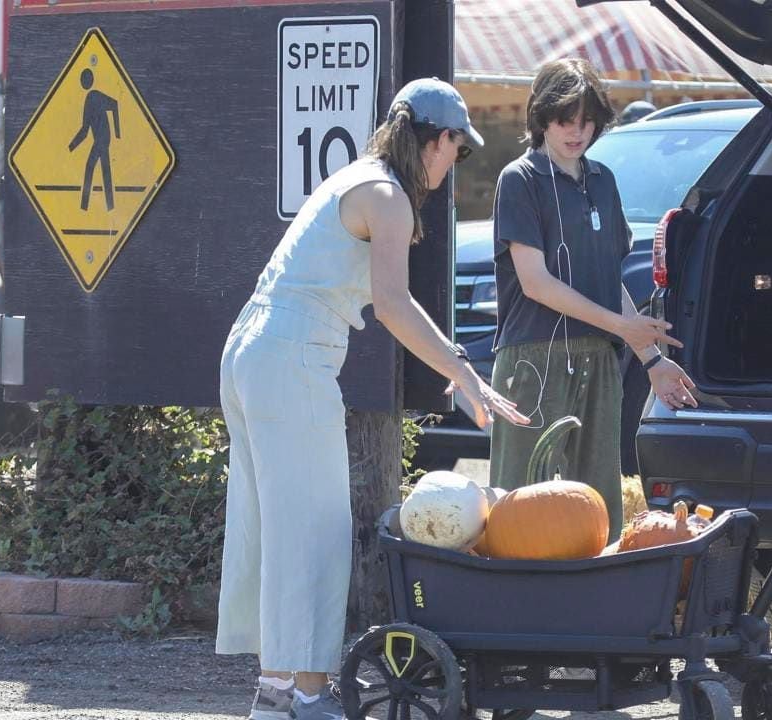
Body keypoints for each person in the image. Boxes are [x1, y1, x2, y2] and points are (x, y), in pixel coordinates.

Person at [216, 78, 528, 720]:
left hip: (251, 349)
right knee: (318, 531)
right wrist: (463, 370)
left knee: (282, 528)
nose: (454, 162)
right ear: (434, 140)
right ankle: (300, 696)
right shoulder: (389, 197)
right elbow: (393, 306)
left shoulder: (354, 178)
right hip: (290, 355)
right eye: (456, 148)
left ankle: (279, 694)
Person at [488, 58, 695, 541]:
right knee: (517, 507)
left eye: (586, 120)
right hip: (532, 359)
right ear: (540, 118)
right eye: (564, 119)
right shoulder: (518, 179)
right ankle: (514, 610)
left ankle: (596, 609)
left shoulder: (603, 179)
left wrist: (652, 359)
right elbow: (535, 282)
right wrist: (622, 327)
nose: (576, 131)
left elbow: (608, 280)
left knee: (599, 509)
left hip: (600, 359)